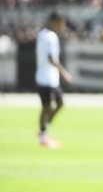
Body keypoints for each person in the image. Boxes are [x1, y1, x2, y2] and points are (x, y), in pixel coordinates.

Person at [36, 11, 73, 149]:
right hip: (47, 78)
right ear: (55, 22)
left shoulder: (42, 34)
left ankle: (44, 130)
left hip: (45, 77)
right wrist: (64, 73)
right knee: (47, 107)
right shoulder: (51, 37)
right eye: (61, 22)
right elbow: (52, 58)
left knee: (58, 103)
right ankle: (43, 136)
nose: (62, 25)